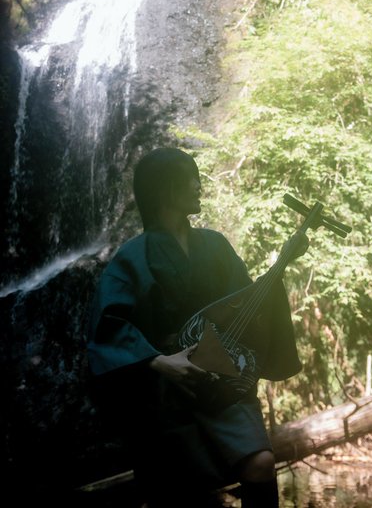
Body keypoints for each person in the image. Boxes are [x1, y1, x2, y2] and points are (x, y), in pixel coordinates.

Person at [87, 147, 308, 507]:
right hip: (164, 391)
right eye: (189, 178)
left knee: (261, 463)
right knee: (176, 492)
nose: (198, 185)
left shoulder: (215, 245)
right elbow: (108, 326)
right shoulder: (132, 256)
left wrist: (283, 262)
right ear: (165, 189)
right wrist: (161, 362)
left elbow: (246, 305)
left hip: (221, 378)